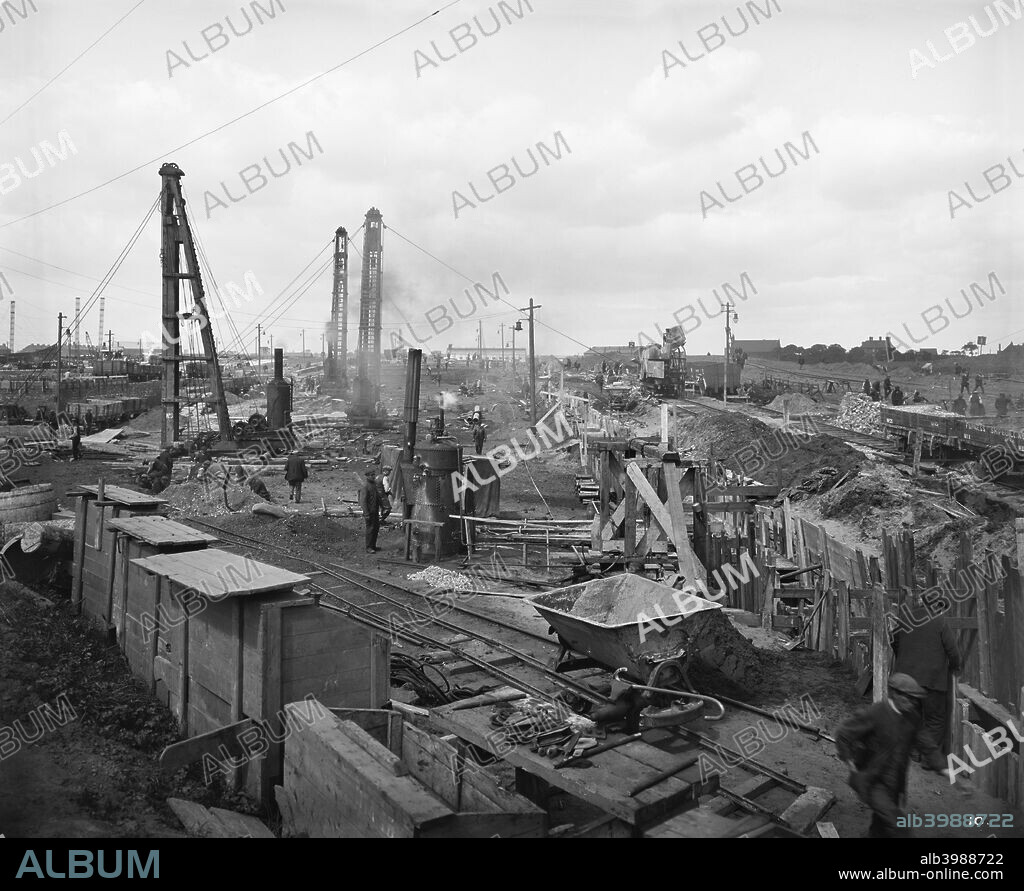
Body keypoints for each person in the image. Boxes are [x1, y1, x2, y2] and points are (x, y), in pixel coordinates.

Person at [835, 673, 950, 838]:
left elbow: (928, 745)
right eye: (909, 698)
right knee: (900, 827)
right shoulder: (876, 713)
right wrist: (850, 763)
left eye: (915, 700)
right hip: (872, 782)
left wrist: (945, 769)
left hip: (894, 783)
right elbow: (844, 734)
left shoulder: (912, 718)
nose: (913, 703)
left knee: (881, 827)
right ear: (895, 694)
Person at [892, 606, 962, 755]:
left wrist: (903, 657)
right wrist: (955, 667)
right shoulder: (940, 621)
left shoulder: (906, 617)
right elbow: (953, 651)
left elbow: (894, 640)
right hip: (933, 680)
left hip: (907, 679)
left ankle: (913, 752)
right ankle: (929, 758)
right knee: (935, 719)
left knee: (909, 715)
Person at [358, 468, 385, 553]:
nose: (374, 476)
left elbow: (378, 497)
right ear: (367, 476)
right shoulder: (365, 486)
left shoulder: (374, 484)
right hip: (369, 512)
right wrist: (366, 514)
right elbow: (363, 501)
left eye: (374, 474)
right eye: (372, 475)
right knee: (370, 529)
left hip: (375, 510)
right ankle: (368, 547)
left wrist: (382, 506)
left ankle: (373, 546)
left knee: (376, 528)